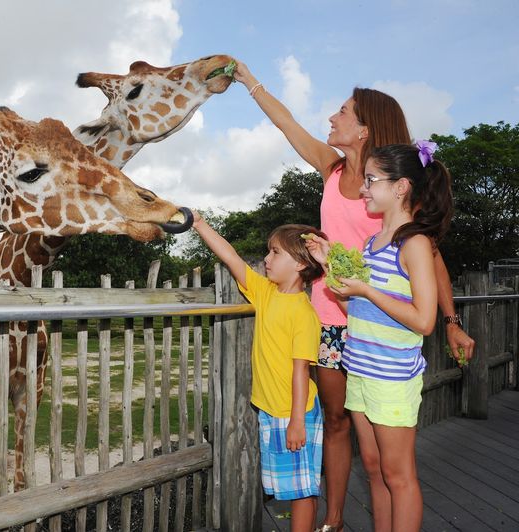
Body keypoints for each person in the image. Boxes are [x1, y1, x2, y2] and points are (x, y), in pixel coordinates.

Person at [233, 61, 474, 532]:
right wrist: (248, 80)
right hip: (329, 316)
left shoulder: (397, 192)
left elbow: (431, 261)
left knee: (382, 449)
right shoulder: (332, 167)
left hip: (375, 325)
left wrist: (450, 320)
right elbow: (287, 124)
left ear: (364, 128)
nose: (331, 117)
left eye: (342, 111)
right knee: (338, 422)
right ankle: (335, 519)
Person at [304, 141, 453, 531]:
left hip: (392, 378)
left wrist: (368, 290)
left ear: (401, 187)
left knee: (398, 475)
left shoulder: (415, 243)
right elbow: (359, 313)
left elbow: (424, 321)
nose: (363, 188)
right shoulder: (372, 244)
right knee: (373, 468)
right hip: (361, 371)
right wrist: (329, 264)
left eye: (371, 180)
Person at [191, 215, 326, 532]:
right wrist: (199, 224)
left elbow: (301, 370)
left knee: (302, 491)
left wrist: (295, 421)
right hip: (272, 410)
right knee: (293, 484)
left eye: (276, 252)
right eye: (269, 251)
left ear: (300, 265)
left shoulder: (304, 315)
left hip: (295, 413)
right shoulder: (266, 293)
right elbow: (231, 257)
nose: (267, 258)